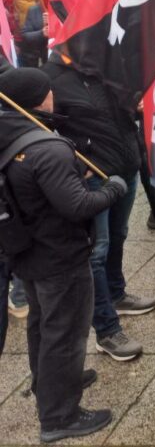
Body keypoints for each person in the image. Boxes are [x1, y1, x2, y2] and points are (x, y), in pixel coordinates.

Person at [0, 69, 129, 443]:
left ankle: (50, 384)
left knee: (42, 325)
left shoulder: (13, 137)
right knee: (65, 333)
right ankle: (59, 416)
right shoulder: (47, 147)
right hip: (60, 256)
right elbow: (78, 206)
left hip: (27, 251)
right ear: (40, 100)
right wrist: (112, 190)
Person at [44, 53, 155, 362]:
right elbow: (39, 125)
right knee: (96, 252)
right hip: (93, 178)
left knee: (119, 235)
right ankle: (106, 330)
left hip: (126, 166)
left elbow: (119, 114)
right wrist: (71, 161)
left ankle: (117, 293)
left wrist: (134, 108)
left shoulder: (107, 63)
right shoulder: (51, 76)